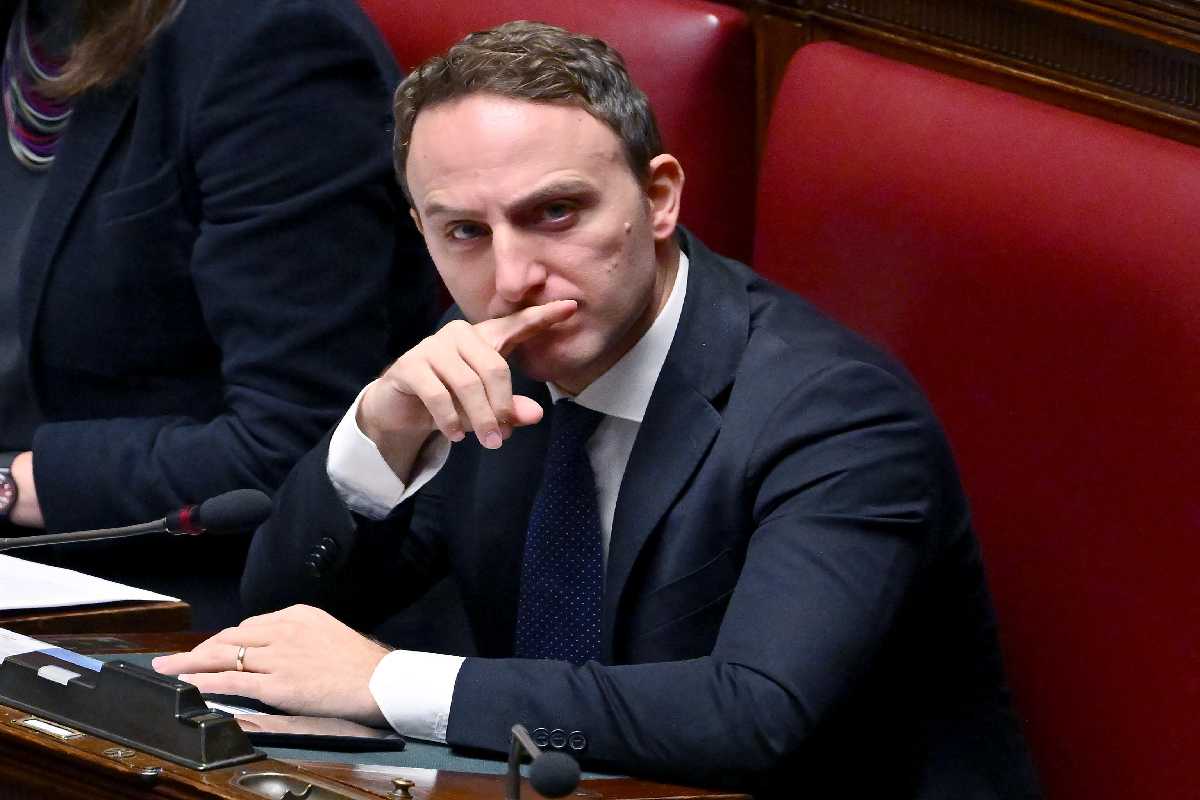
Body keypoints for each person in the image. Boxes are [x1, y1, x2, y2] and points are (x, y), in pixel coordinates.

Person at [154, 21, 1040, 797]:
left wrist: (390, 682)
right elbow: (280, 627)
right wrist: (381, 435)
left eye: (555, 213)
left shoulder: (835, 413)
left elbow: (753, 713)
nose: (512, 278)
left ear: (658, 198)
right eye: (464, 232)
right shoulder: (481, 358)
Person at [0, 0, 436, 627]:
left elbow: (293, 445)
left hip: (186, 591)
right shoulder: (37, 26)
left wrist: (13, 483)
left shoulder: (276, 42)